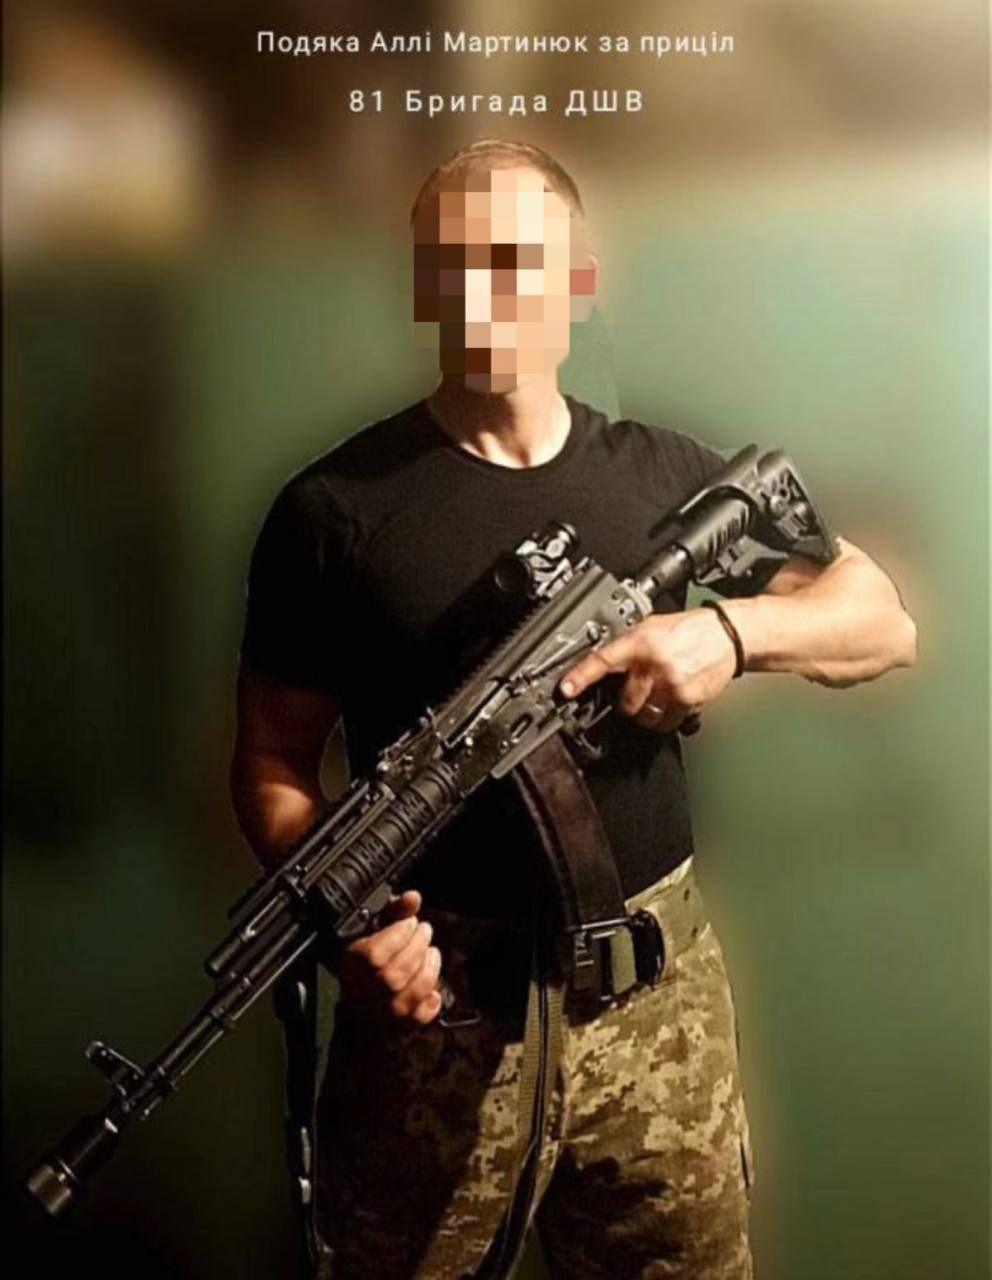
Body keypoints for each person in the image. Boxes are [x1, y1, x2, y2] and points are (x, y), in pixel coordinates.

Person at [230, 139, 917, 1280]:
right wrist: (349, 924)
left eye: (517, 259)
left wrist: (727, 635)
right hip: (434, 1025)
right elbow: (270, 760)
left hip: (659, 1018)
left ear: (578, 276)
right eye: (453, 263)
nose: (484, 293)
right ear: (419, 285)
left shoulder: (661, 478)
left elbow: (880, 621)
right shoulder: (333, 514)